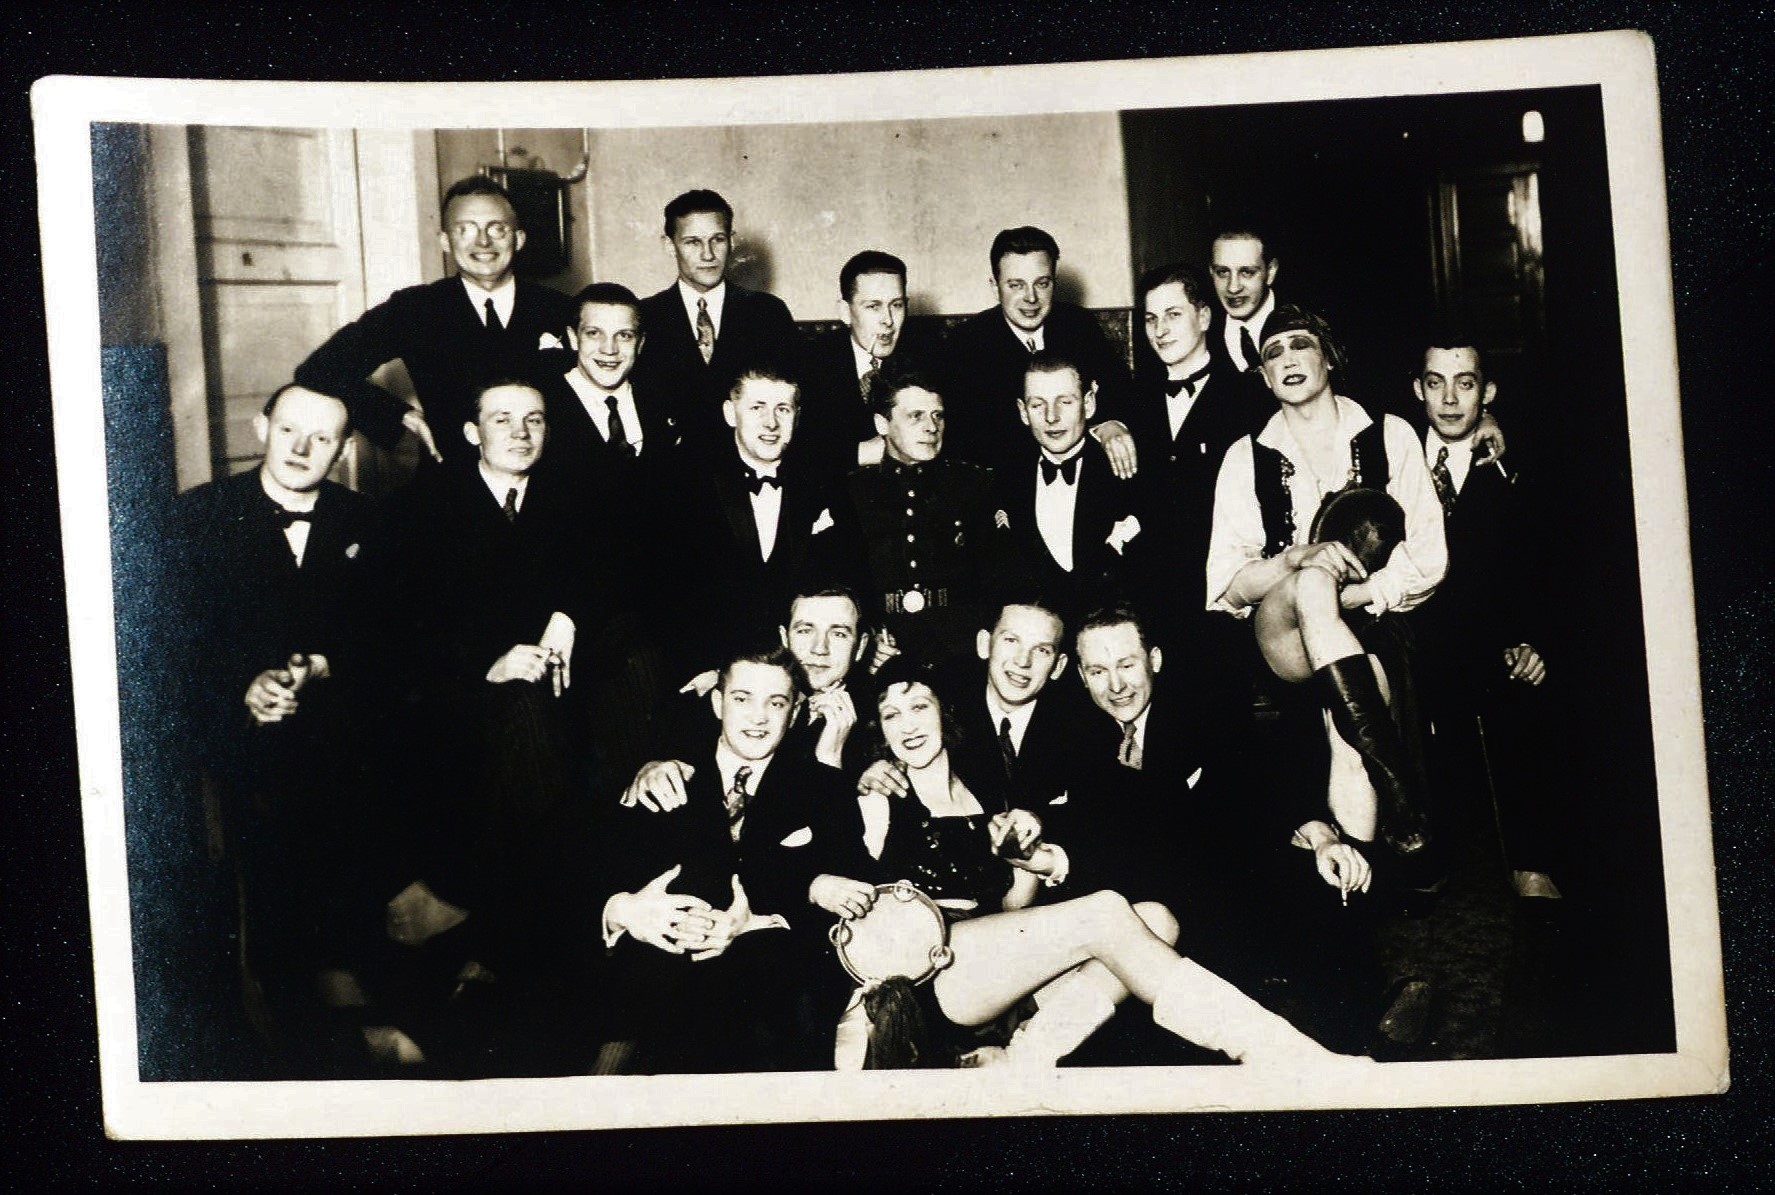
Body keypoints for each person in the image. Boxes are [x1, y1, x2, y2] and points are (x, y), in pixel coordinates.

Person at [825, 659, 1363, 1070]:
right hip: (924, 978)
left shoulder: (986, 796)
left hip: (983, 983)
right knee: (1105, 912)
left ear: (945, 711)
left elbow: (1012, 910)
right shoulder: (878, 797)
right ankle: (1286, 1054)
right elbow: (841, 887)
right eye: (891, 715)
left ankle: (1022, 1061)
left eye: (919, 706)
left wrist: (1025, 861)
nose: (907, 725)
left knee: (1154, 919)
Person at [372, 378, 608, 1073]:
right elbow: (399, 633)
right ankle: (529, 947)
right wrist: (489, 664)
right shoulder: (422, 508)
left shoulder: (568, 498)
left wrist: (568, 616)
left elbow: (612, 575)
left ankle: (500, 949)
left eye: (534, 419)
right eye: (501, 418)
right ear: (470, 432)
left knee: (549, 723)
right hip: (451, 707)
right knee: (524, 722)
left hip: (555, 700)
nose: (520, 431)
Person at [170, 383, 395, 1073]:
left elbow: (396, 640)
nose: (301, 449)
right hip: (230, 728)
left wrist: (323, 665)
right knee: (267, 807)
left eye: (321, 437)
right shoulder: (198, 516)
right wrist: (246, 687)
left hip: (342, 728)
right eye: (289, 430)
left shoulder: (371, 523)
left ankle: (363, 984)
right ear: (260, 424)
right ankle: (286, 1002)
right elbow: (168, 645)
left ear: (344, 447)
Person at [583, 646, 858, 1072]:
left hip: (765, 1006)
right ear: (717, 703)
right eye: (742, 698)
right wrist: (625, 911)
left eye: (776, 702)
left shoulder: (825, 790)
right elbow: (589, 876)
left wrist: (759, 921)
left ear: (796, 711)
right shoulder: (664, 777)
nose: (758, 717)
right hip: (652, 989)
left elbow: (848, 900)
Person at [1412, 340, 1564, 901]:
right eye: (1435, 382)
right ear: (1416, 389)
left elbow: (1545, 568)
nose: (1450, 399)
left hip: (1487, 643)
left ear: (1488, 391)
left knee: (1524, 687)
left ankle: (1530, 861)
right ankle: (1417, 857)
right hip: (1412, 640)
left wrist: (1535, 642)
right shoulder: (1390, 453)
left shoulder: (1512, 466)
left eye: (1466, 383)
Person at [294, 176, 576, 465]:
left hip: (548, 483)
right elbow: (320, 369)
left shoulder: (560, 309)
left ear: (518, 239)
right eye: (465, 229)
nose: (482, 241)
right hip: (450, 484)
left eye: (497, 229)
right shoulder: (415, 308)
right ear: (445, 240)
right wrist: (399, 416)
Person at [658, 361, 864, 682]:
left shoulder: (823, 484)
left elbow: (849, 575)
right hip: (711, 669)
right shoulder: (688, 487)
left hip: (801, 672)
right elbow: (672, 596)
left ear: (797, 417)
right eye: (757, 407)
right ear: (730, 413)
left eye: (783, 409)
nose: (771, 423)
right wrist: (708, 671)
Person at [942, 226, 1137, 479]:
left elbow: (1120, 392)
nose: (1031, 298)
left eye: (1042, 284)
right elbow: (967, 443)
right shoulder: (965, 345)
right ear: (994, 286)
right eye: (1016, 285)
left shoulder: (1079, 325)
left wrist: (1111, 424)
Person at [845, 371, 1005, 666]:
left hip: (960, 652)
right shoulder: (854, 492)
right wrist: (865, 641)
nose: (931, 427)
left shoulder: (974, 486)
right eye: (915, 416)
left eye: (938, 416)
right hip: (880, 655)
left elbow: (997, 579)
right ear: (883, 424)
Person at [634, 189, 800, 459]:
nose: (708, 254)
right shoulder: (646, 316)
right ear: (669, 245)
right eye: (692, 242)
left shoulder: (768, 312)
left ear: (732, 242)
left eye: (717, 240)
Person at [994, 349, 1149, 627]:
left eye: (1065, 402)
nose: (1051, 417)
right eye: (1037, 405)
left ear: (1088, 404)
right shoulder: (1007, 480)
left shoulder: (1127, 474)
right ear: (1022, 412)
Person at [798, 250, 939, 483]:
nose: (888, 320)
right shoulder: (811, 362)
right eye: (873, 306)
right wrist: (858, 453)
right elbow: (795, 449)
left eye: (896, 305)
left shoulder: (929, 360)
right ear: (845, 312)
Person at [1208, 227, 1281, 376]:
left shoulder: (1312, 322)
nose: (1233, 288)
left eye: (1247, 272)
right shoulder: (1202, 333)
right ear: (1211, 271)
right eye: (1222, 272)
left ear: (1271, 271)